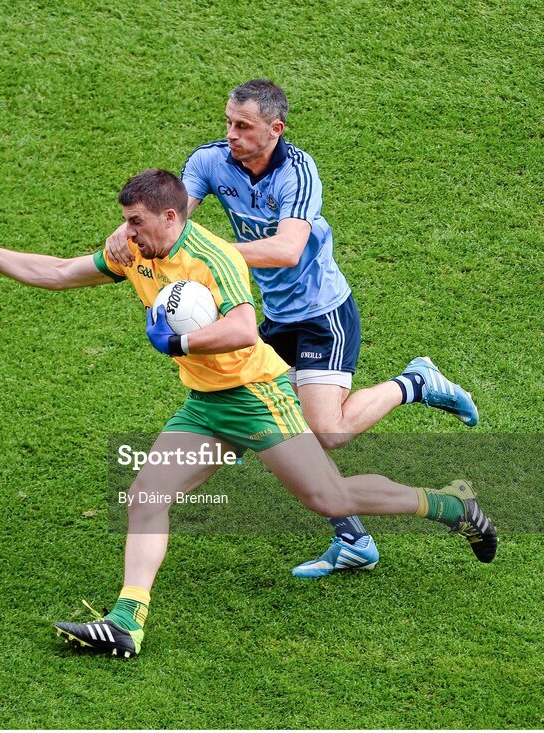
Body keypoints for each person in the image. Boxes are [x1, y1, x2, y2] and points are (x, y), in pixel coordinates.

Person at [0, 168, 498, 658]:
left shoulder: (212, 259)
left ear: (170, 216)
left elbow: (244, 329)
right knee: (147, 493)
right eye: (125, 221)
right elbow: (60, 272)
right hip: (205, 404)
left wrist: (177, 343)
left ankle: (452, 506)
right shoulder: (135, 252)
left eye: (135, 222)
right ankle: (127, 621)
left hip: (255, 396)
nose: (126, 233)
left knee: (331, 498)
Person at [104, 79, 480, 579]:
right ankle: (354, 540)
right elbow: (169, 222)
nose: (231, 133)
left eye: (243, 126)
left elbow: (286, 250)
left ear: (275, 129)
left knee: (327, 431)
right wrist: (131, 230)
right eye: (228, 122)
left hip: (322, 314)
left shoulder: (298, 173)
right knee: (285, 428)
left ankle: (415, 382)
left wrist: (211, 257)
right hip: (276, 316)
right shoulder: (210, 162)